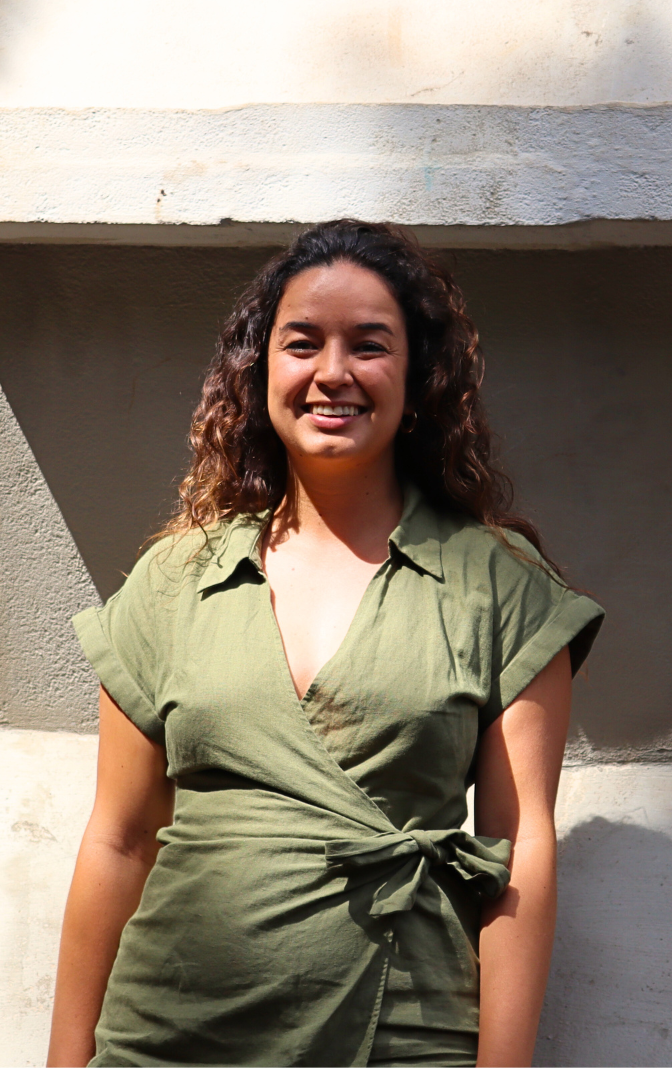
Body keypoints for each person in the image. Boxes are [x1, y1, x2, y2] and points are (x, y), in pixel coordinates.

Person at [48, 220, 604, 1067]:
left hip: (401, 1036)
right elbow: (118, 840)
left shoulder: (501, 586)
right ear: (260, 370)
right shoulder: (171, 583)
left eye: (370, 346)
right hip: (164, 1040)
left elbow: (520, 845)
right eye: (302, 343)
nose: (332, 373)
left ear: (416, 379)